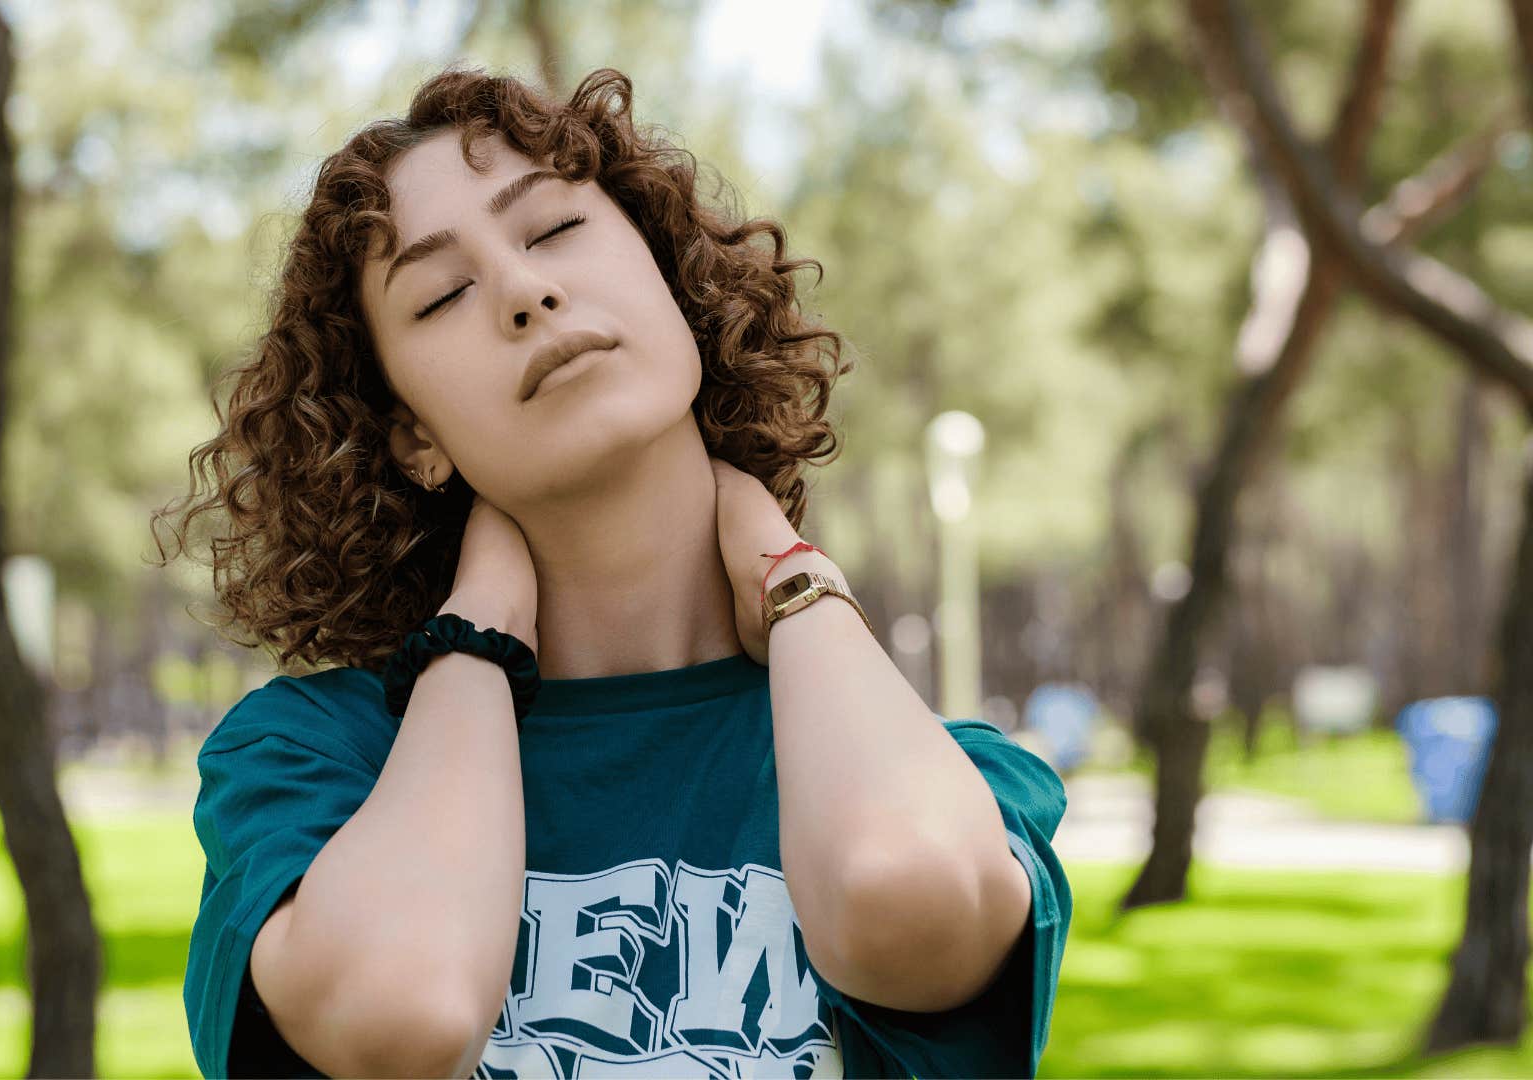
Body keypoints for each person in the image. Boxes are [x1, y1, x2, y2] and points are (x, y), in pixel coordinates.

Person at [155, 64, 1070, 1079]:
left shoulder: (944, 774)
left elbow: (899, 894)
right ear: (415, 435)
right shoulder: (314, 761)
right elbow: (402, 1014)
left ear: (673, 281)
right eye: (444, 292)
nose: (523, 290)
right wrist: (478, 636)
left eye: (552, 231)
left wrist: (793, 579)